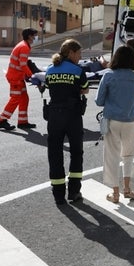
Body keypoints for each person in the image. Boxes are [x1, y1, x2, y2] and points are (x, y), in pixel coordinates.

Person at [95, 45, 134, 203]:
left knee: (112, 156)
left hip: (112, 119)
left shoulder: (108, 76)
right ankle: (127, 189)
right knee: (128, 154)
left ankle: (115, 194)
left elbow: (99, 100)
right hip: (130, 120)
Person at [45, 39, 89, 205]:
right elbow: (84, 88)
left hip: (54, 116)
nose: (80, 57)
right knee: (76, 152)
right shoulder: (77, 70)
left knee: (55, 154)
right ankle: (74, 191)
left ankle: (58, 195)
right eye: (79, 53)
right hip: (72, 116)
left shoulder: (50, 70)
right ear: (71, 53)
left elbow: (49, 87)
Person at [0, 27, 39, 130]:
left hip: (17, 77)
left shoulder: (23, 45)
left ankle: (22, 122)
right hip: (15, 78)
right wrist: (32, 76)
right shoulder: (24, 47)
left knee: (24, 98)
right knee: (15, 99)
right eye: (34, 35)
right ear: (29, 36)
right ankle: (2, 120)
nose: (35, 37)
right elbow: (23, 65)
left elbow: (22, 63)